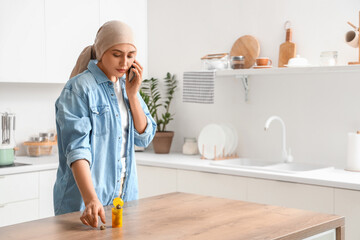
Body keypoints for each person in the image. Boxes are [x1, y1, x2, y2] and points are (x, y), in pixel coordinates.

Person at [53, 20, 156, 228]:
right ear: (101, 52)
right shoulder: (80, 88)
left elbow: (144, 137)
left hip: (123, 199)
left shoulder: (127, 86)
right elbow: (77, 150)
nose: (124, 63)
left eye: (130, 55)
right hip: (84, 203)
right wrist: (91, 198)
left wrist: (133, 96)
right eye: (116, 54)